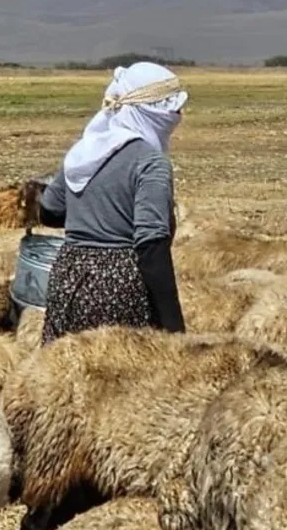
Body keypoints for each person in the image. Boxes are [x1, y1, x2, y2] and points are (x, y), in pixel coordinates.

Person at [33, 61, 187, 344]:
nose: (179, 116)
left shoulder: (86, 151)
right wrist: (174, 326)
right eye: (173, 109)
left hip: (68, 276)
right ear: (154, 112)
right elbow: (151, 244)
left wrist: (92, 214)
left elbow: (50, 212)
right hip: (118, 284)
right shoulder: (150, 163)